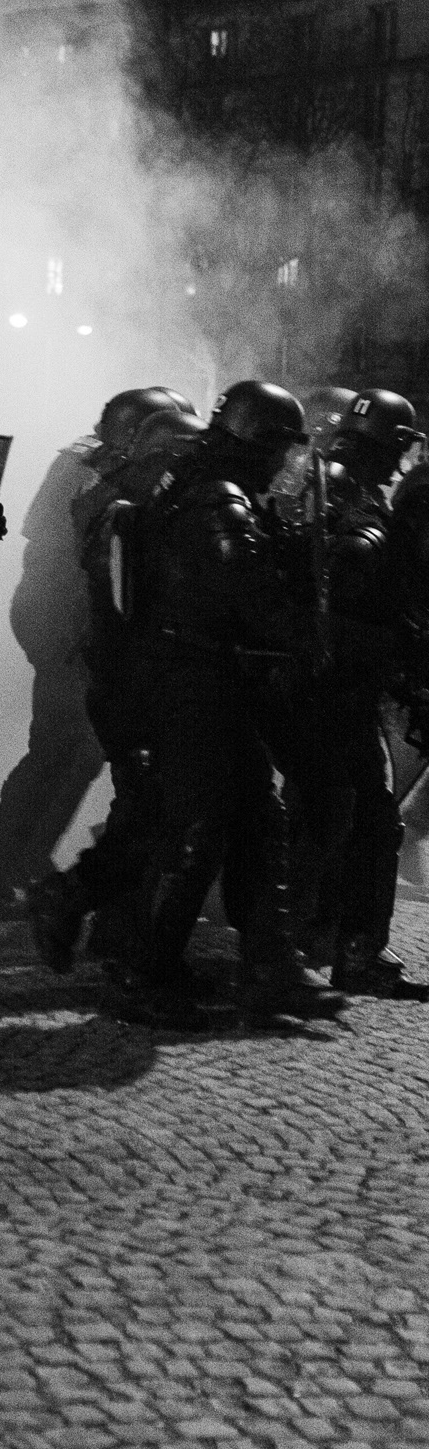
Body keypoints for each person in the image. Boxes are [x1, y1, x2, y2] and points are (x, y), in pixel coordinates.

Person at [104, 381, 334, 1028]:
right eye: (281, 448)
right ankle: (143, 972)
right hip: (196, 683)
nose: (285, 464)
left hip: (215, 681)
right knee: (196, 832)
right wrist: (303, 627)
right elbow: (250, 602)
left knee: (259, 823)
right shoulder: (218, 501)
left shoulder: (201, 484)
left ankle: (271, 968)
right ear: (258, 442)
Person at [0, 386, 194, 918]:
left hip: (69, 618)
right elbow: (52, 533)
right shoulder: (87, 464)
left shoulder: (98, 463)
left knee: (72, 748)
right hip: (61, 619)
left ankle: (11, 863)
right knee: (67, 746)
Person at [25, 401, 205, 973]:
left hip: (130, 675)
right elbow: (107, 596)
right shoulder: (123, 506)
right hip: (133, 677)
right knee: (147, 806)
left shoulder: (123, 497)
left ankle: (112, 928)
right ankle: (78, 906)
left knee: (146, 807)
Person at [280, 390, 427, 996]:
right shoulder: (336, 495)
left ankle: (335, 943)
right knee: (339, 817)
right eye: (397, 448)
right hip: (327, 682)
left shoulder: (331, 486)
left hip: (337, 679)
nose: (400, 463)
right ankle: (310, 945)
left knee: (355, 817)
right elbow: (328, 599)